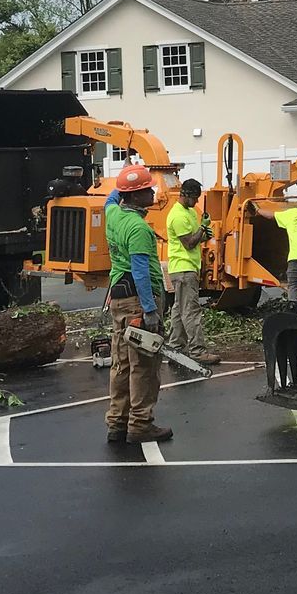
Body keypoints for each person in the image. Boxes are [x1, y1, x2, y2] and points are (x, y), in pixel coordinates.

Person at [104, 162, 170, 445]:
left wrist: (125, 175)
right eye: (146, 189)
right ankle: (141, 423)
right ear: (135, 196)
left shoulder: (113, 214)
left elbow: (110, 197)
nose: (152, 192)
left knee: (121, 364)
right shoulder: (138, 228)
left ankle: (117, 423)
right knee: (143, 364)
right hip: (137, 301)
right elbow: (141, 271)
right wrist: (151, 310)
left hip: (118, 298)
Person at [163, 178, 219, 364]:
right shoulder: (178, 216)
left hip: (185, 268)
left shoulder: (188, 212)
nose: (196, 202)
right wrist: (202, 229)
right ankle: (198, 351)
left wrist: (204, 234)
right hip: (184, 268)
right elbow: (188, 243)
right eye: (194, 198)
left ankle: (175, 349)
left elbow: (195, 240)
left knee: (179, 310)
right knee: (191, 311)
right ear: (185, 195)